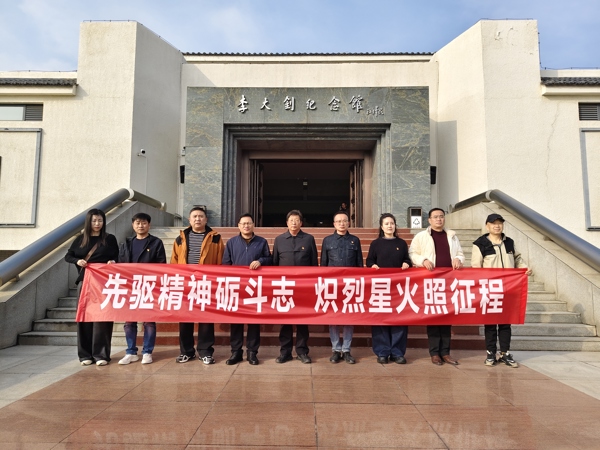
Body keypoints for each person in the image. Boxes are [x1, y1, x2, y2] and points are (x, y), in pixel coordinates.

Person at [471, 213, 532, 368]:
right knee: (490, 323)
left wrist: (524, 268)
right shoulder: (480, 244)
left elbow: (517, 259)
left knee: (505, 323)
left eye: (499, 223)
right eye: (493, 223)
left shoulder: (509, 242)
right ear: (487, 226)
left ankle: (505, 353)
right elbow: (476, 267)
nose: (497, 226)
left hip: (509, 288)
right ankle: (491, 353)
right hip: (490, 289)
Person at [409, 208, 464, 366]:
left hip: (448, 282)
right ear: (429, 220)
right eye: (435, 217)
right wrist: (423, 260)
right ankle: (434, 353)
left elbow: (460, 253)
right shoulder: (421, 236)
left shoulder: (452, 236)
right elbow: (412, 253)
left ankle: (445, 352)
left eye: (441, 216)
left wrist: (458, 259)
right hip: (430, 282)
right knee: (433, 317)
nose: (439, 219)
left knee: (446, 317)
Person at [65, 209, 119, 366]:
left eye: (100, 220)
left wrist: (112, 262)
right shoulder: (80, 239)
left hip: (104, 283)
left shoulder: (109, 239)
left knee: (103, 318)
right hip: (85, 282)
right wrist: (77, 261)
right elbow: (68, 255)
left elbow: (117, 256)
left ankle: (101, 355)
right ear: (88, 222)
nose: (97, 224)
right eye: (94, 220)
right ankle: (85, 355)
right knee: (84, 318)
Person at [171, 207, 224, 364]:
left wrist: (217, 282)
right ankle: (186, 351)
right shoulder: (180, 238)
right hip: (185, 284)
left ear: (206, 219)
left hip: (206, 283)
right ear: (189, 219)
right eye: (194, 216)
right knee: (184, 319)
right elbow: (174, 261)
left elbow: (220, 261)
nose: (198, 219)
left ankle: (205, 351)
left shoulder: (215, 238)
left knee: (206, 319)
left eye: (201, 216)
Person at [222, 213, 272, 365]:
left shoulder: (262, 242)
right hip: (236, 287)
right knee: (236, 321)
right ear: (238, 226)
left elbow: (270, 259)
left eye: (249, 223)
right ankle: (236, 352)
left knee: (253, 321)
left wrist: (260, 261)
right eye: (243, 223)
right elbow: (226, 264)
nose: (246, 226)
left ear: (253, 225)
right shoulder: (232, 242)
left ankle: (252, 352)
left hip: (254, 287)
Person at [117, 213, 166, 365]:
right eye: (137, 223)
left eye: (144, 223)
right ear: (133, 225)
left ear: (149, 225)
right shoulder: (126, 243)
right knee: (129, 322)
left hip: (148, 287)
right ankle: (131, 352)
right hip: (129, 287)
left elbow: (162, 265)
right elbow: (120, 263)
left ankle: (147, 352)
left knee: (149, 322)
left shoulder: (156, 242)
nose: (140, 226)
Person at [272, 209, 318, 364]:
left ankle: (302, 351)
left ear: (301, 223)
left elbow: (314, 264)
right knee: (285, 321)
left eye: (296, 220)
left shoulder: (309, 239)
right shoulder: (279, 240)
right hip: (284, 287)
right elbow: (274, 263)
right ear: (287, 223)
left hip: (303, 287)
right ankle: (285, 352)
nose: (294, 223)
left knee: (302, 321)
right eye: (291, 220)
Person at [366, 213, 412, 364]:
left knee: (399, 318)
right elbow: (369, 260)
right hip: (381, 287)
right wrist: (373, 265)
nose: (390, 226)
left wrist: (406, 263)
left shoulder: (402, 243)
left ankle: (397, 352)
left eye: (392, 223)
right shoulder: (375, 244)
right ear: (381, 226)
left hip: (399, 287)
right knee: (380, 319)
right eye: (386, 224)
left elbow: (407, 259)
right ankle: (382, 351)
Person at [321, 210, 363, 364]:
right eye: (338, 221)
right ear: (334, 224)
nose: (342, 223)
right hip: (332, 285)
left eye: (344, 221)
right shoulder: (327, 240)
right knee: (333, 317)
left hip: (350, 285)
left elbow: (359, 264)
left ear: (349, 223)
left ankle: (346, 349)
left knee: (348, 317)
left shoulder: (355, 240)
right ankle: (335, 349)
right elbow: (323, 264)